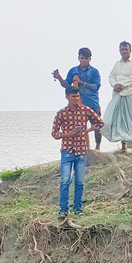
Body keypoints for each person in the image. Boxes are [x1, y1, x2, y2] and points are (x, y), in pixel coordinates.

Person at [52, 86, 104, 219]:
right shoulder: (61, 113)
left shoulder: (86, 110)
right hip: (67, 150)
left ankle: (77, 208)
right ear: (67, 97)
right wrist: (68, 134)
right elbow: (54, 133)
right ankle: (63, 210)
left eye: (78, 96)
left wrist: (88, 130)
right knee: (65, 181)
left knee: (79, 182)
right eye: (73, 96)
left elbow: (100, 122)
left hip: (81, 151)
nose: (76, 99)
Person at [53, 47, 102, 150]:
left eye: (86, 58)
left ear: (90, 59)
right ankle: (84, 147)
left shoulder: (94, 72)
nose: (84, 60)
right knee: (80, 126)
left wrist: (81, 82)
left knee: (97, 125)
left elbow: (96, 86)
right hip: (78, 104)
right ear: (79, 58)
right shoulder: (73, 70)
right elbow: (67, 85)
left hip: (92, 102)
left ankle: (98, 147)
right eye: (82, 58)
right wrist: (59, 78)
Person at [101, 41, 132, 152]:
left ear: (130, 50)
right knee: (118, 119)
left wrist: (122, 85)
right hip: (117, 94)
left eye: (126, 49)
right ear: (119, 50)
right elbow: (111, 76)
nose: (124, 51)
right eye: (122, 49)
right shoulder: (117, 64)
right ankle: (123, 144)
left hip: (130, 92)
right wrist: (115, 85)